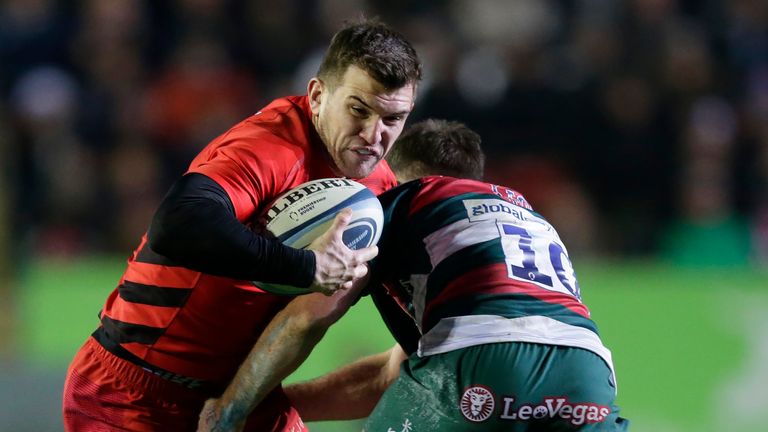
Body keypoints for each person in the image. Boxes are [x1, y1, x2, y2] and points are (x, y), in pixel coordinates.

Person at [62, 18, 422, 432]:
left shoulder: (379, 189)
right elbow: (178, 224)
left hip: (242, 397)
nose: (373, 135)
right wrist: (306, 268)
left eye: (392, 119)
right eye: (358, 110)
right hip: (134, 392)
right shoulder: (270, 147)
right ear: (318, 95)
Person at [198, 119, 629, 431]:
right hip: (588, 375)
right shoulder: (522, 214)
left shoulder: (401, 202)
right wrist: (274, 407)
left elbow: (308, 317)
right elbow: (391, 376)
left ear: (394, 175)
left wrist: (232, 410)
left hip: (481, 362)